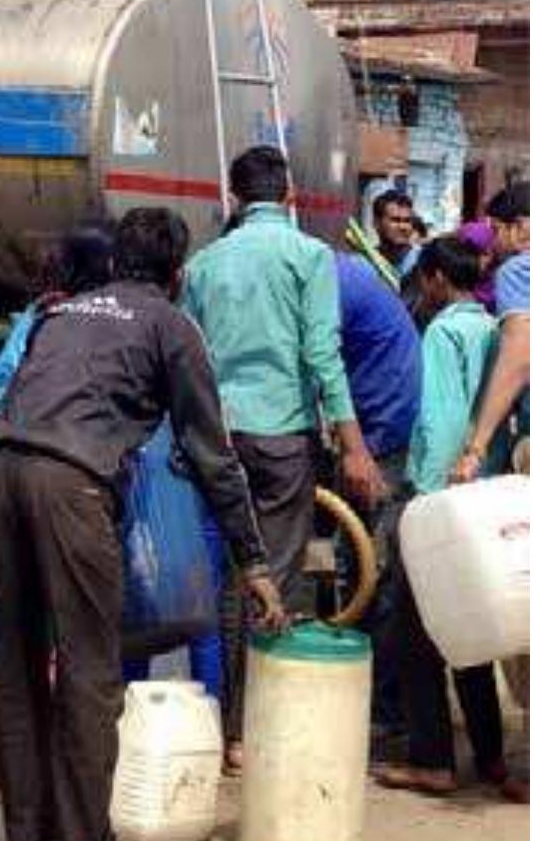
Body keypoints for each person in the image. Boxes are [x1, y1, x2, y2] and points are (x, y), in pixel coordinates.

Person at [0, 208, 285, 841]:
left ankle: (27, 832)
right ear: (178, 275)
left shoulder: (60, 314)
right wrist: (253, 562)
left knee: (18, 656)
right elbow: (213, 455)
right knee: (90, 668)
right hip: (70, 483)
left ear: (116, 262)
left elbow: (17, 405)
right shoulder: (172, 327)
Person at [182, 147, 383, 762]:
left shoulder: (204, 264)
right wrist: (354, 448)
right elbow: (324, 356)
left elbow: (189, 359)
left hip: (217, 438)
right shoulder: (309, 256)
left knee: (228, 577)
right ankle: (256, 727)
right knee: (278, 577)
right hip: (282, 438)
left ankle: (227, 727)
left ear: (235, 199)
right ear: (288, 195)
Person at [0, 223, 115, 796]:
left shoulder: (40, 312)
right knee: (35, 624)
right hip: (11, 468)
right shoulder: (73, 324)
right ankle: (8, 767)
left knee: (4, 620)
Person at [376, 235, 516, 798]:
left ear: (435, 278)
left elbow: (437, 420)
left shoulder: (441, 332)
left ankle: (432, 758)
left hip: (443, 499)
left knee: (417, 632)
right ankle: (490, 760)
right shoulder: (494, 328)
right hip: (488, 497)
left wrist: (421, 495)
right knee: (474, 633)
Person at [333, 251, 422, 744]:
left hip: (380, 438)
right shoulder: (345, 273)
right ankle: (379, 703)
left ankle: (383, 708)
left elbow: (318, 358)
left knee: (373, 573)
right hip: (378, 430)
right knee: (364, 568)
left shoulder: (331, 286)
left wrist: (354, 450)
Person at [453, 182, 530, 484]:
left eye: (496, 231)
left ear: (521, 228)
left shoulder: (519, 270)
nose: (493, 244)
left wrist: (476, 448)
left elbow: (519, 357)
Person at [370, 188, 422, 281]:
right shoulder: (368, 261)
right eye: (395, 220)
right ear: (376, 223)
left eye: (407, 221)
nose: (403, 227)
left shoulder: (422, 261)